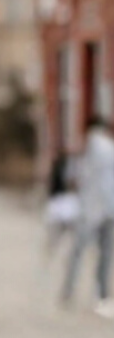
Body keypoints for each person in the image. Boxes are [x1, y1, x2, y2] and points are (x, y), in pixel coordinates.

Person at [61, 117, 114, 317]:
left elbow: (71, 178)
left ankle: (69, 291)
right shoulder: (104, 147)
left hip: (92, 210)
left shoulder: (90, 147)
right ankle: (101, 296)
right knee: (104, 255)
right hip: (107, 208)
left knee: (78, 252)